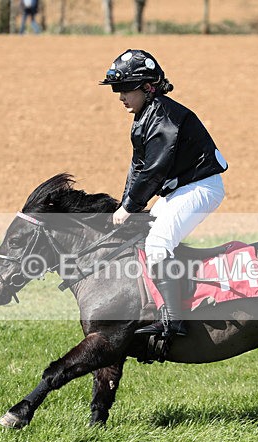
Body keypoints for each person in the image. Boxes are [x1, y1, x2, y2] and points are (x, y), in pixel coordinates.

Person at [99, 49, 228, 338]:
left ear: (147, 87)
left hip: (201, 187)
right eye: (116, 90)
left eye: (124, 89)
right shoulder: (145, 116)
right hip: (182, 189)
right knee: (146, 237)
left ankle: (175, 320)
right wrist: (124, 203)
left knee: (158, 243)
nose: (120, 97)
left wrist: (129, 206)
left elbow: (154, 171)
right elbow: (137, 167)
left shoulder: (165, 118)